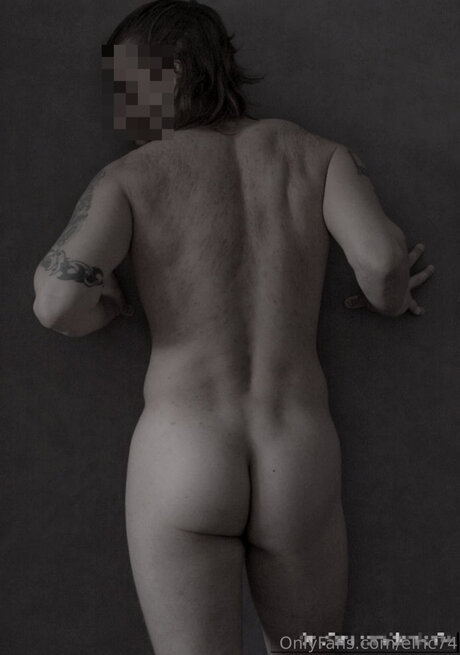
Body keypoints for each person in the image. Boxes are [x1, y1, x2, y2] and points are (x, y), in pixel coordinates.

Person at [32, 1, 435, 653]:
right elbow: (383, 261)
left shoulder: (131, 176)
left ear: (176, 72)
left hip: (183, 449)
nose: (119, 111)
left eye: (127, 85)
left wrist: (104, 308)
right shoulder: (317, 155)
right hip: (295, 452)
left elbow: (56, 303)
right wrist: (389, 301)